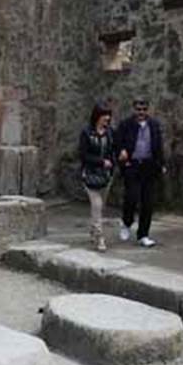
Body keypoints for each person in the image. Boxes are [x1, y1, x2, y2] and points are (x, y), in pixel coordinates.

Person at [114, 97, 166, 248]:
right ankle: (126, 222)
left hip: (149, 166)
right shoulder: (126, 124)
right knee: (131, 197)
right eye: (138, 109)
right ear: (134, 109)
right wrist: (122, 152)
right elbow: (117, 142)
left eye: (144, 109)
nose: (141, 112)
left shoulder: (154, 125)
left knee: (148, 203)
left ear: (148, 110)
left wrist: (161, 164)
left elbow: (158, 145)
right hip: (132, 165)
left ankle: (143, 235)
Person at [79, 102, 115, 252]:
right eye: (104, 115)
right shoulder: (87, 133)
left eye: (108, 115)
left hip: (106, 175)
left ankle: (94, 229)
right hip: (90, 174)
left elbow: (113, 150)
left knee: (101, 207)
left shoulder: (110, 132)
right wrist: (101, 162)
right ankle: (100, 237)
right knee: (97, 205)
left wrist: (116, 160)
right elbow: (83, 155)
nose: (107, 118)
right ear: (97, 116)